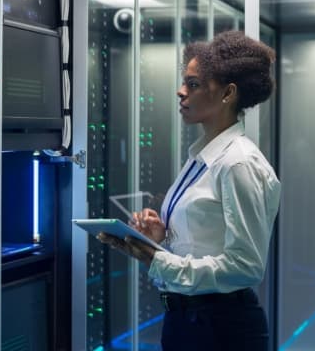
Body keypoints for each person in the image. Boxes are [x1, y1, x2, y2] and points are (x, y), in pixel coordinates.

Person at [98, 30, 281, 351]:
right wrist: (160, 239)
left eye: (193, 84)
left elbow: (246, 267)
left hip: (221, 329)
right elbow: (203, 243)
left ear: (228, 94)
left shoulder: (238, 162)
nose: (180, 92)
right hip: (187, 321)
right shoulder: (202, 157)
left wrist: (158, 260)